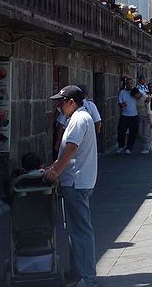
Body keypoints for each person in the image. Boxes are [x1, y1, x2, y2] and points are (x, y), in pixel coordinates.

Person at [44, 86, 97, 287]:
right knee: (75, 229)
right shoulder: (78, 118)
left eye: (61, 101)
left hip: (76, 181)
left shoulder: (78, 119)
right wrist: (55, 167)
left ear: (71, 102)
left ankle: (87, 278)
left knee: (81, 230)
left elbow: (71, 148)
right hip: (76, 180)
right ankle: (77, 272)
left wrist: (55, 171)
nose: (58, 106)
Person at [117, 80, 139, 154]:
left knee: (133, 133)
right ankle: (121, 145)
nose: (129, 85)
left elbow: (142, 96)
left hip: (134, 115)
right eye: (128, 83)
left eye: (131, 83)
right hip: (124, 115)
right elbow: (119, 102)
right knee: (121, 132)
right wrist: (122, 105)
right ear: (125, 84)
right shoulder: (122, 92)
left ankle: (129, 148)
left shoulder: (135, 91)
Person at [134, 77, 152, 155]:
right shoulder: (135, 99)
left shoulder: (145, 97)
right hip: (140, 117)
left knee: (146, 133)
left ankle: (147, 148)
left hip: (147, 116)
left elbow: (148, 108)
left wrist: (149, 118)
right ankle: (150, 143)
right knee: (140, 133)